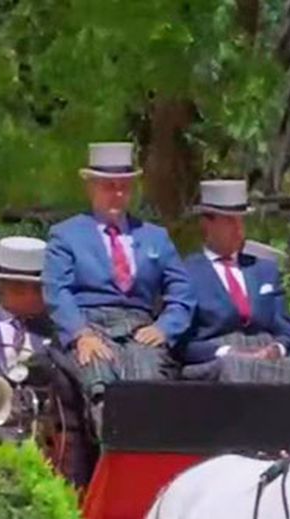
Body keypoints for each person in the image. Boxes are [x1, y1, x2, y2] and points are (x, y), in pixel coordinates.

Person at [43, 142, 195, 423]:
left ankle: (149, 458)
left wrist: (165, 327)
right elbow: (57, 292)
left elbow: (182, 292)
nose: (117, 194)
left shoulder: (155, 237)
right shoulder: (66, 236)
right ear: (91, 187)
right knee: (100, 376)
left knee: (147, 379)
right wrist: (80, 334)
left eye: (124, 186)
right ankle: (113, 459)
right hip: (90, 326)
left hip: (139, 329)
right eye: (108, 186)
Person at [0, 236, 93, 485]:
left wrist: (51, 366)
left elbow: (78, 392)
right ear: (4, 287)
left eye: (40, 288)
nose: (37, 295)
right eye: (23, 288)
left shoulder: (63, 334)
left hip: (53, 452)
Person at [174, 180, 290, 384]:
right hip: (216, 356)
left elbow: (285, 326)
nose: (238, 229)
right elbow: (182, 341)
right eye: (229, 222)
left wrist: (277, 348)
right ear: (207, 224)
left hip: (265, 351)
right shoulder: (187, 273)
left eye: (241, 221)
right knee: (236, 370)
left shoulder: (264, 270)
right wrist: (227, 351)